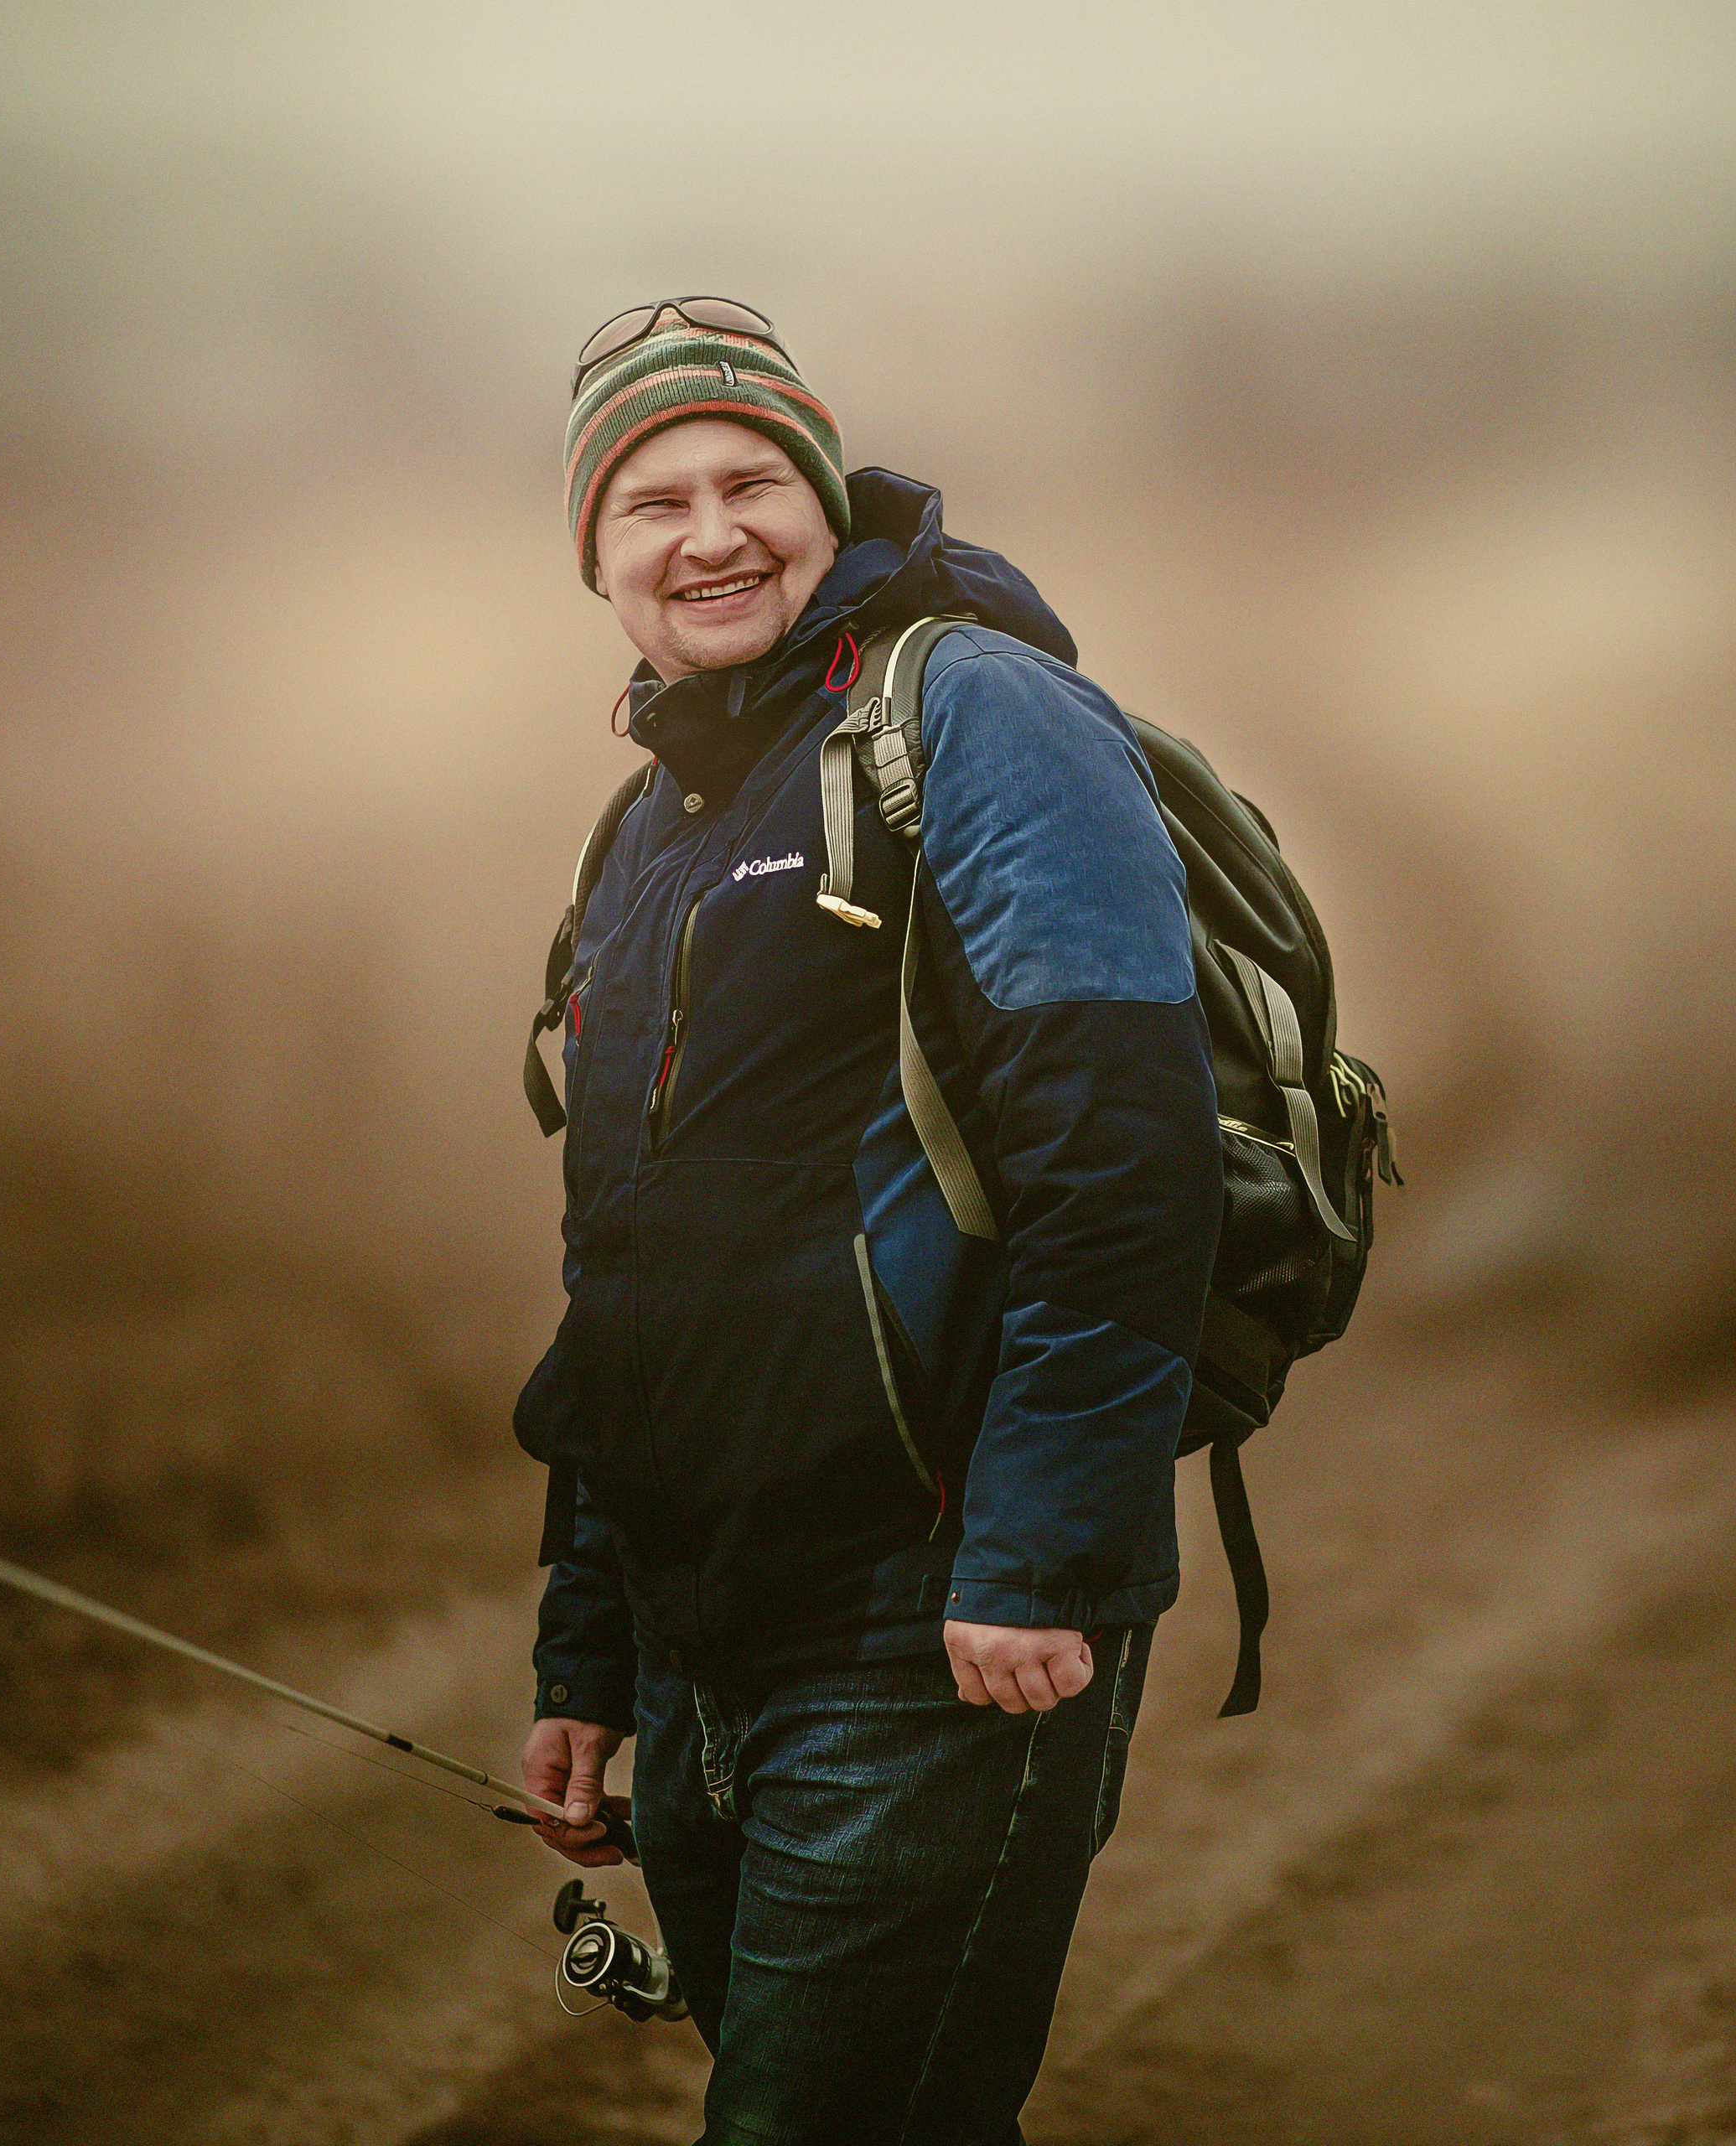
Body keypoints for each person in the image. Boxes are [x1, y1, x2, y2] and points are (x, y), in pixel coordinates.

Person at [516, 297, 1223, 2143]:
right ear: (596, 559)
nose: (710, 529)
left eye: (753, 478)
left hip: (930, 1634)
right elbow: (624, 1270)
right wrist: (588, 1653)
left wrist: (1040, 1554)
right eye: (650, 501)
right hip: (701, 1642)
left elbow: (1122, 1147)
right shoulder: (646, 822)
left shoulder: (977, 713)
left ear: (826, 506)